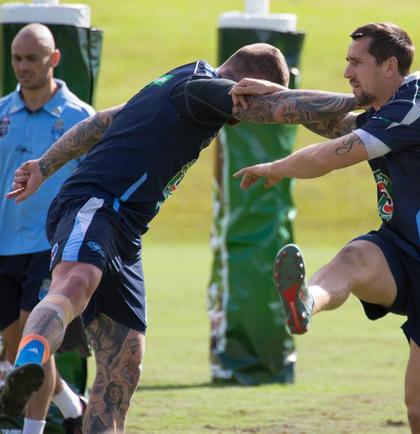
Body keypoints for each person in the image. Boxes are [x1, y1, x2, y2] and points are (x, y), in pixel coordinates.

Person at [2, 42, 358, 433]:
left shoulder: (179, 80)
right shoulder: (204, 91)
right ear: (246, 82)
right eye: (250, 103)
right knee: (75, 282)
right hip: (96, 203)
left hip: (127, 229)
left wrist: (45, 165)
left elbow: (103, 120)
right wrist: (362, 97)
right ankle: (29, 361)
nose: (246, 115)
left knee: (123, 365)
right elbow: (283, 109)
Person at [232, 22, 420, 433]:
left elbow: (331, 154)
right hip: (399, 251)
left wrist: (276, 167)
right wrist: (282, 98)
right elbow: (336, 120)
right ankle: (305, 301)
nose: (347, 71)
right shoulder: (391, 109)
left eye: (357, 62)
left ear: (389, 66)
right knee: (353, 258)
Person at [0, 23, 94, 434]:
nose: (23, 67)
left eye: (32, 59)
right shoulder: (1, 112)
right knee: (14, 345)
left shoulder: (81, 116)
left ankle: (28, 431)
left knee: (29, 346)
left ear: (54, 59)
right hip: (5, 244)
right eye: (17, 59)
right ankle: (74, 410)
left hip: (52, 246)